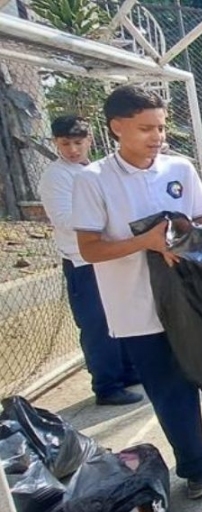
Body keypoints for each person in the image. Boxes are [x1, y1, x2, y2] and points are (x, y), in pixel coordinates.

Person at [72, 86, 202, 499]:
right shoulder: (93, 180)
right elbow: (88, 248)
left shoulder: (179, 169)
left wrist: (181, 238)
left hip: (197, 299)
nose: (157, 136)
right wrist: (144, 243)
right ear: (116, 127)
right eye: (146, 128)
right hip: (138, 309)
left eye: (161, 127)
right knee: (170, 392)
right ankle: (196, 468)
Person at [38, 115, 142, 406]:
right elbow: (64, 218)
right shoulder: (56, 176)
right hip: (82, 260)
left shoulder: (97, 169)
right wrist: (110, 221)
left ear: (89, 141)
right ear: (56, 143)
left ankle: (127, 371)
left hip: (111, 255)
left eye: (77, 142)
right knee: (96, 323)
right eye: (65, 143)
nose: (72, 149)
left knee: (119, 314)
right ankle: (106, 384)